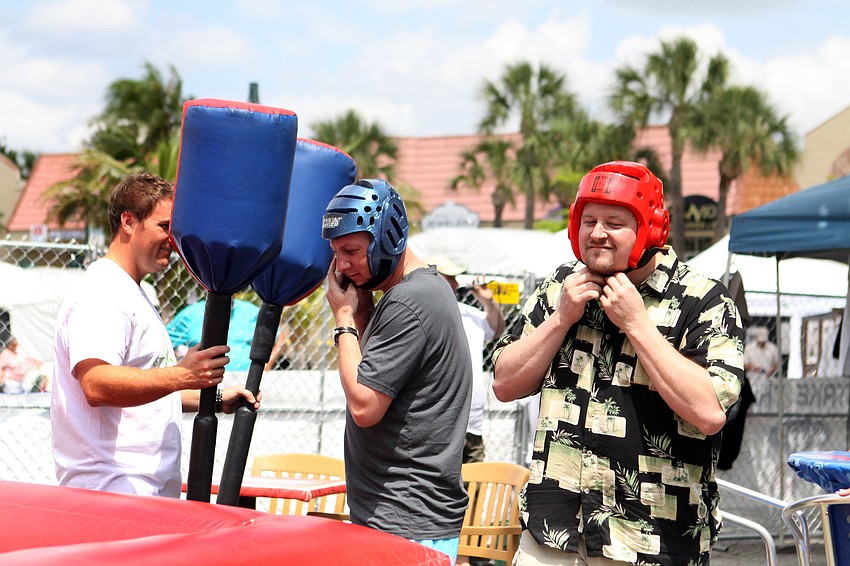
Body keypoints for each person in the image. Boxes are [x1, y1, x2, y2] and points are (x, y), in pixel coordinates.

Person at [491, 161, 744, 566]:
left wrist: (638, 325)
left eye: (614, 222)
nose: (597, 233)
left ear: (651, 229)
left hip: (651, 543)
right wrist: (560, 319)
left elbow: (710, 411)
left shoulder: (703, 300)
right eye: (588, 220)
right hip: (552, 538)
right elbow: (504, 384)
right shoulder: (561, 286)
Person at [50, 172, 260, 497]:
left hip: (134, 491)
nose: (173, 240)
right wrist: (181, 374)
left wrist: (214, 398)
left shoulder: (133, 291)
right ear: (128, 221)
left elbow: (144, 394)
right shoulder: (103, 291)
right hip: (112, 492)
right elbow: (97, 383)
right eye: (164, 227)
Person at [322, 178, 471, 565]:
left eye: (352, 251)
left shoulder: (408, 301)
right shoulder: (417, 292)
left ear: (387, 235)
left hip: (404, 521)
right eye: (336, 253)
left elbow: (365, 405)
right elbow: (377, 371)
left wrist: (343, 319)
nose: (342, 265)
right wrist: (362, 304)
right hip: (404, 517)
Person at [427, 255, 506, 464]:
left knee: (474, 490)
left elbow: (497, 331)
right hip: (440, 425)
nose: (454, 283)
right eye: (449, 277)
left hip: (472, 424)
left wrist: (489, 302)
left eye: (455, 278)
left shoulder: (469, 313)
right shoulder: (425, 312)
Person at [167, 297, 260, 371]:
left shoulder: (251, 312)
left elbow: (273, 340)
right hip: (204, 378)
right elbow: (163, 341)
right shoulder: (190, 314)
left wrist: (265, 367)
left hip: (246, 378)